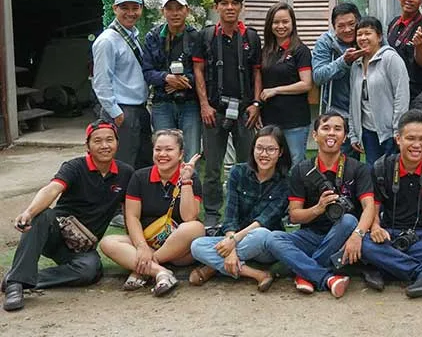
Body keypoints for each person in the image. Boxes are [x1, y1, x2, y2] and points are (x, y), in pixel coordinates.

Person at [2, 121, 134, 312]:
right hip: (54, 234)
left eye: (109, 140)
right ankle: (15, 285)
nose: (104, 145)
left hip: (82, 246)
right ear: (87, 145)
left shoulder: (126, 173)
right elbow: (52, 189)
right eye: (97, 141)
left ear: (117, 143)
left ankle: (23, 278)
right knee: (42, 215)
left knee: (90, 270)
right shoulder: (74, 167)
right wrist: (29, 212)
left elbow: (130, 211)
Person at [267, 113, 375, 298]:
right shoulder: (301, 170)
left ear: (345, 137)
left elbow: (369, 207)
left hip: (343, 237)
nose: (331, 133)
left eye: (337, 129)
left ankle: (304, 273)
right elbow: (294, 216)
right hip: (311, 235)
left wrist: (357, 235)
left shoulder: (358, 169)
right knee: (273, 239)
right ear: (315, 135)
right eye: (326, 128)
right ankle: (326, 278)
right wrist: (318, 208)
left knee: (349, 220)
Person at [360, 110, 422, 298]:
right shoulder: (381, 167)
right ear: (398, 139)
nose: (417, 145)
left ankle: (383, 266)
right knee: (363, 242)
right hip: (389, 233)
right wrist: (376, 227)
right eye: (410, 138)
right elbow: (372, 210)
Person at [99, 130, 205, 297]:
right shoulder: (139, 177)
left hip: (178, 250)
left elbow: (189, 217)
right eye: (158, 149)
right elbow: (132, 216)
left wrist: (186, 181)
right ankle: (160, 272)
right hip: (146, 240)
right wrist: (142, 246)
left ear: (180, 154)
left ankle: (141, 269)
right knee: (108, 242)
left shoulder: (191, 177)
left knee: (195, 228)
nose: (162, 154)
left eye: (169, 150)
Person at [193, 0, 262, 228]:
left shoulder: (251, 37)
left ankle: (245, 210)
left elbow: (257, 72)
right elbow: (198, 70)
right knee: (213, 166)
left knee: (248, 164)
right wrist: (204, 104)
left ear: (241, 6)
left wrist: (256, 103)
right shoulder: (206, 36)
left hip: (244, 111)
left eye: (234, 3)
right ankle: (212, 212)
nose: (229, 7)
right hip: (214, 110)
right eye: (224, 3)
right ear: (216, 7)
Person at [189, 125, 291, 290]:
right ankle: (256, 274)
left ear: (280, 152)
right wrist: (230, 249)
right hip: (235, 237)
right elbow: (230, 216)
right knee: (196, 246)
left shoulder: (285, 182)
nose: (264, 154)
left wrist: (232, 243)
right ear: (253, 149)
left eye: (271, 150)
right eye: (259, 148)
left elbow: (264, 221)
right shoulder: (238, 172)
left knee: (262, 234)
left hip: (263, 244)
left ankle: (211, 269)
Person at [91, 0, 153, 170]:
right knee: (123, 166)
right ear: (114, 9)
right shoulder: (107, 41)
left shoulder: (132, 36)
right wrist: (115, 112)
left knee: (142, 164)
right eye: (124, 8)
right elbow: (101, 80)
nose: (130, 13)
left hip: (139, 110)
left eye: (135, 8)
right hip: (122, 111)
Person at [142, 0, 202, 158]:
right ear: (163, 11)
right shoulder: (153, 37)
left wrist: (183, 81)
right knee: (164, 153)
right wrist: (166, 78)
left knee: (190, 153)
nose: (175, 13)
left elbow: (203, 71)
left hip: (190, 103)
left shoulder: (196, 37)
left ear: (187, 10)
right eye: (170, 9)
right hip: (162, 103)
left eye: (179, 8)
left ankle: (189, 177)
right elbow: (147, 71)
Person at [349, 17, 410, 166]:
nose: (363, 38)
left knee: (392, 171)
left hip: (389, 132)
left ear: (379, 37)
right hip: (367, 131)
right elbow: (353, 101)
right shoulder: (356, 64)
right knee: (373, 172)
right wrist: (353, 133)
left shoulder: (391, 58)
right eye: (359, 34)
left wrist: (398, 129)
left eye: (368, 33)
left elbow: (401, 96)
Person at [259, 3, 313, 166]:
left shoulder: (301, 51)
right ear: (269, 25)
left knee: (295, 163)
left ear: (292, 23)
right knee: (272, 162)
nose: (280, 26)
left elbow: (306, 84)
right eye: (276, 22)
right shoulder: (266, 51)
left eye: (285, 22)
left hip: (295, 120)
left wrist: (276, 90)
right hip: (270, 118)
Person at [312, 2, 363, 158]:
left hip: (366, 113)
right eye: (341, 26)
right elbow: (318, 76)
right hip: (339, 113)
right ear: (334, 27)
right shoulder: (326, 42)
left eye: (352, 24)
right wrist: (343, 61)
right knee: (338, 160)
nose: (347, 29)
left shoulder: (368, 36)